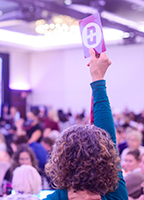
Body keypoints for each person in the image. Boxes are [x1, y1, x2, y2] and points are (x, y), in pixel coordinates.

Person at [43, 48, 128, 200]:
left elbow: (109, 142)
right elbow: (109, 139)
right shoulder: (117, 195)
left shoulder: (56, 198)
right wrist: (98, 79)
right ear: (107, 159)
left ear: (62, 161)